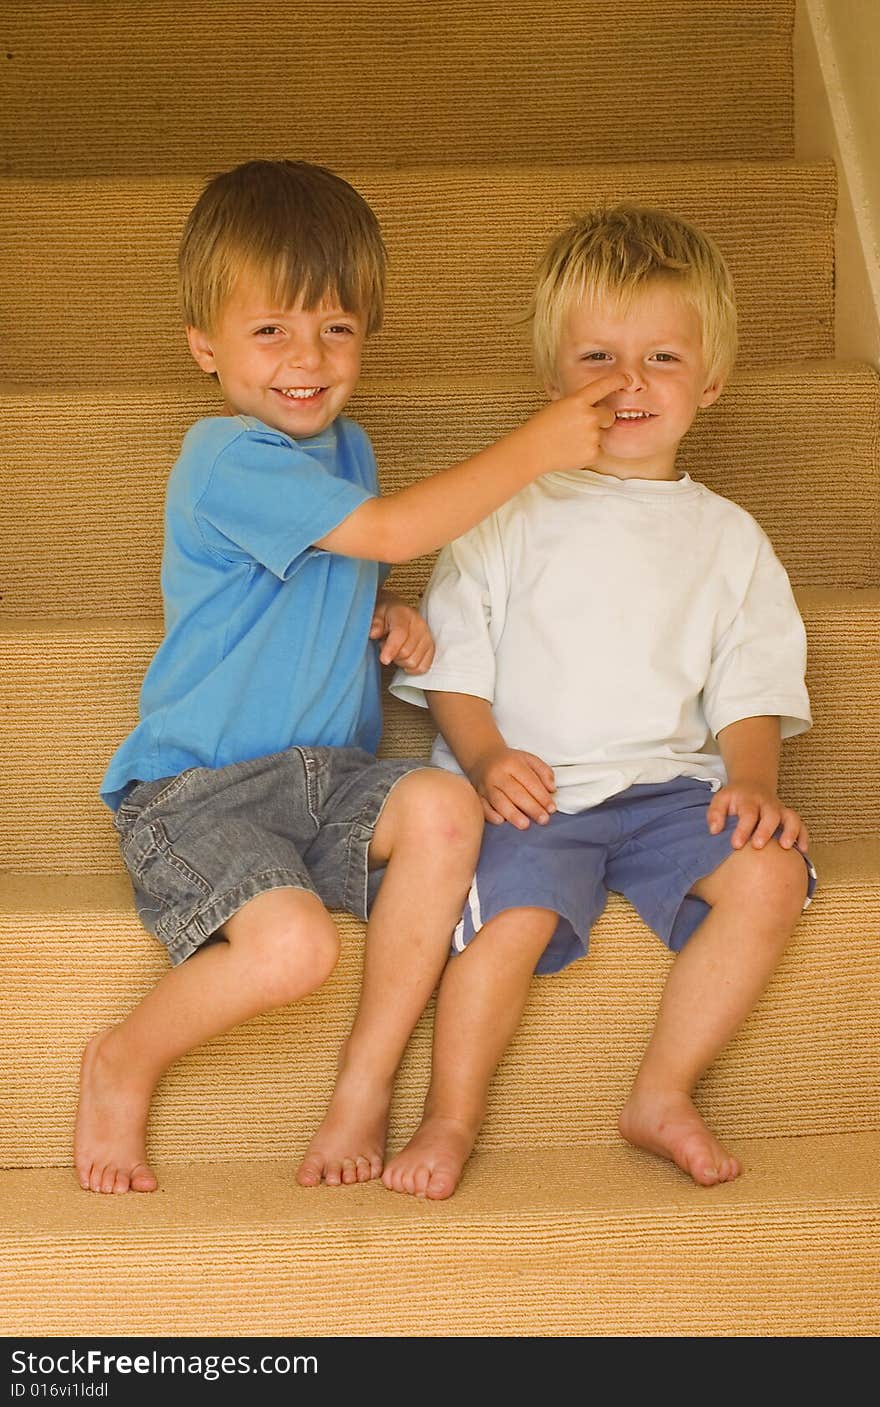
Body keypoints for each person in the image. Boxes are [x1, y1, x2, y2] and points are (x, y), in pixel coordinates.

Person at [73, 159, 623, 1195]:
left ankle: (363, 1085)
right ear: (205, 348)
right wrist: (536, 446)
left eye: (336, 328)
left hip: (328, 776)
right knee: (291, 954)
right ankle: (122, 1059)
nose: (308, 359)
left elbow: (334, 565)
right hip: (201, 794)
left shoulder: (347, 447)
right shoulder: (223, 456)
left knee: (448, 809)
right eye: (270, 330)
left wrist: (389, 616)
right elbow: (388, 528)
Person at [386, 202, 818, 1200]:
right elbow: (456, 661)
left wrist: (753, 779)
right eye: (597, 359)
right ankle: (450, 1114)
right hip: (533, 791)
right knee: (510, 923)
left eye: (662, 358)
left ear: (709, 380)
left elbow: (749, 679)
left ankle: (662, 1092)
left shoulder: (729, 538)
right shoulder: (506, 511)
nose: (630, 384)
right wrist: (487, 760)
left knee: (769, 879)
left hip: (669, 790)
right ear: (551, 380)